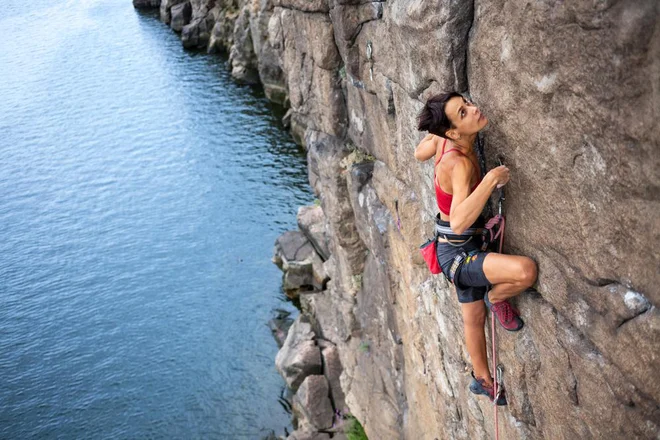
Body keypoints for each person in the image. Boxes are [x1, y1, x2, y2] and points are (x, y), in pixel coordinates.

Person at [416, 92, 538, 405]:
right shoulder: (458, 164)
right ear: (454, 132)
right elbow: (457, 222)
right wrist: (491, 179)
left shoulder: (442, 139)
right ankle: (496, 296)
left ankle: (482, 380)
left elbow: (420, 152)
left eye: (467, 103)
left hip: (453, 248)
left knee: (473, 320)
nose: (474, 109)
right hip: (459, 253)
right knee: (525, 271)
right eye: (463, 111)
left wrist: (436, 134)